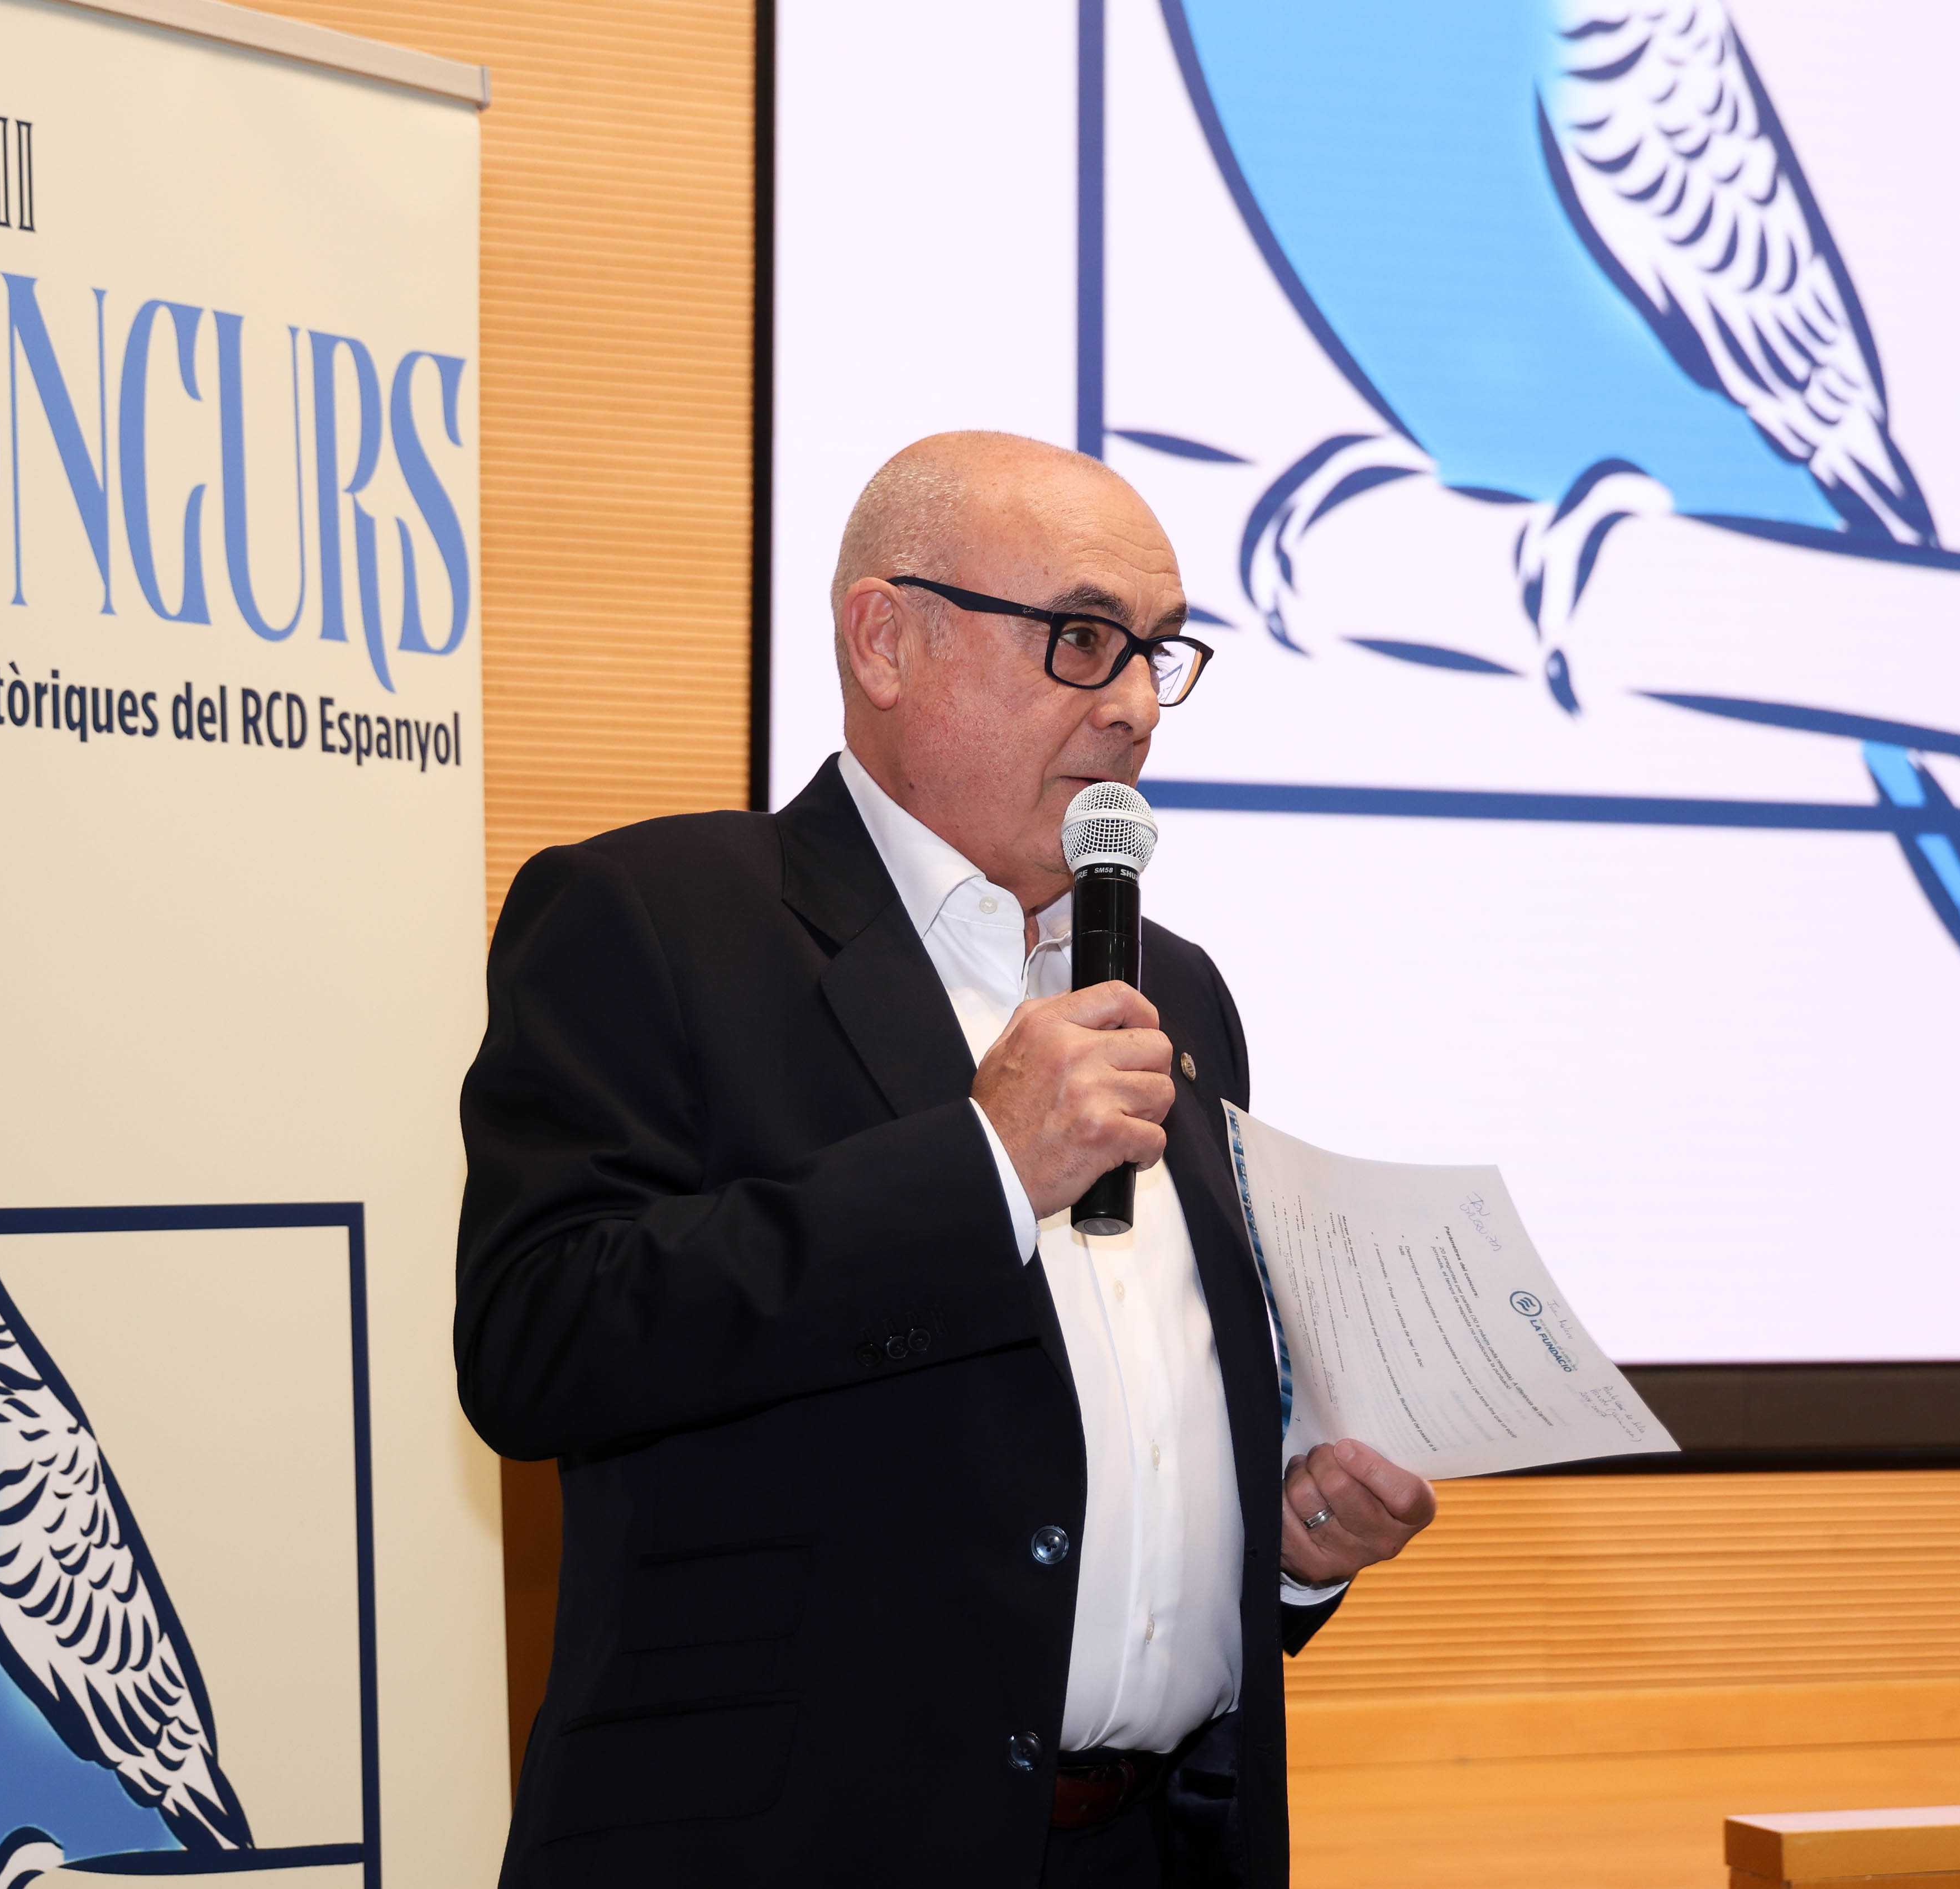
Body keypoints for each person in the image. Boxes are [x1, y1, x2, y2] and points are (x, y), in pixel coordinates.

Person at [455, 432, 1436, 1887]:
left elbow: (1112, 1454)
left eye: (1157, 654)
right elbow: (538, 1345)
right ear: (886, 641)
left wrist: (1283, 1557)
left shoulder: (1181, 991)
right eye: (1082, 640)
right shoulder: (654, 920)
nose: (1133, 706)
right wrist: (980, 1167)